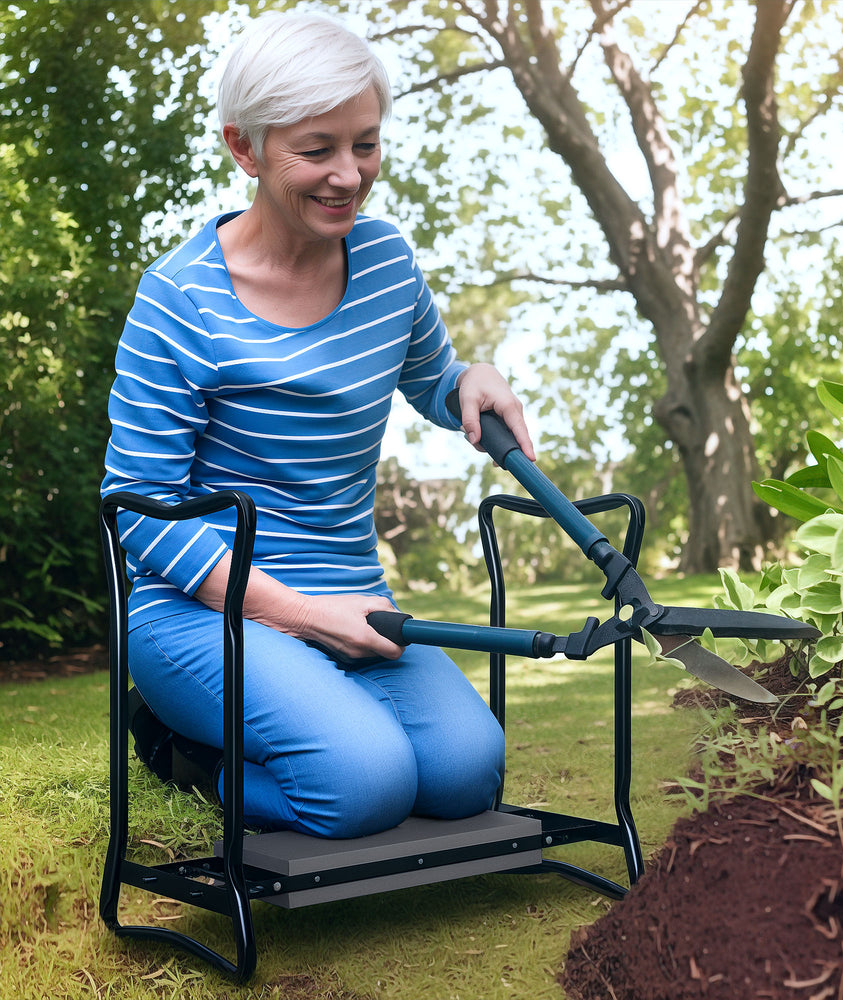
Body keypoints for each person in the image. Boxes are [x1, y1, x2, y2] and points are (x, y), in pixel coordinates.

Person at [100, 10, 535, 840]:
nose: (349, 175)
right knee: (362, 784)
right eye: (317, 149)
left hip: (354, 598)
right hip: (203, 612)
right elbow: (137, 511)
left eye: (364, 144)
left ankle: (310, 729)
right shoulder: (180, 299)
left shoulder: (385, 263)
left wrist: (471, 378)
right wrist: (299, 614)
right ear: (245, 148)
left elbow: (433, 382)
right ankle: (189, 754)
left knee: (465, 773)